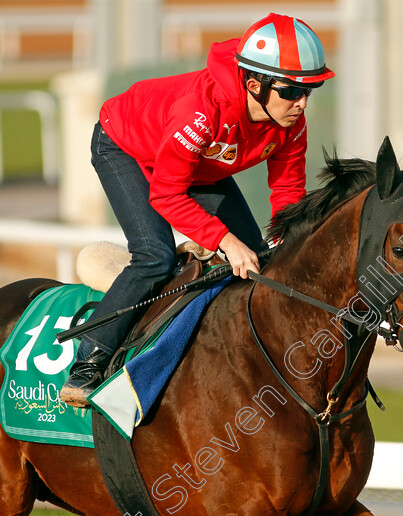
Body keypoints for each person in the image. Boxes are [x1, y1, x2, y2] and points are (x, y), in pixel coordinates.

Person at [60, 13, 335, 407]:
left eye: (311, 89)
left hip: (199, 163)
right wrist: (223, 240)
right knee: (154, 256)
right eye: (292, 91)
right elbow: (166, 195)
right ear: (255, 86)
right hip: (125, 146)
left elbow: (287, 189)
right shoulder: (202, 111)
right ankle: (89, 359)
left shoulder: (292, 122)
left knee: (258, 256)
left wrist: (285, 242)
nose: (302, 103)